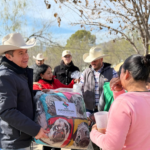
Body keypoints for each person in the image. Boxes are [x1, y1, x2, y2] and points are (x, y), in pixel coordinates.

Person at [90, 54, 150, 150]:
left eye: (120, 73)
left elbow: (112, 146)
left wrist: (93, 133)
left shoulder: (123, 103)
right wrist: (119, 92)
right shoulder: (129, 101)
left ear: (127, 74)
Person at [0, 33, 49, 150]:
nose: (26, 56)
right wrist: (35, 130)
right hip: (13, 142)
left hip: (21, 138)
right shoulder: (5, 76)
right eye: (20, 53)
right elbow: (7, 111)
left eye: (26, 52)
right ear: (9, 56)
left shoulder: (19, 73)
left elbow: (20, 97)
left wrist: (37, 94)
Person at [80, 47, 117, 114]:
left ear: (101, 59)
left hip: (106, 109)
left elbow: (117, 90)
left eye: (95, 60)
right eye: (91, 60)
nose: (93, 62)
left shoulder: (112, 72)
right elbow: (80, 91)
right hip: (89, 109)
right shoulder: (85, 73)